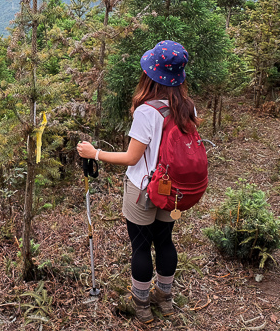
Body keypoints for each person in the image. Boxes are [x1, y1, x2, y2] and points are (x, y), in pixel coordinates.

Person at [77, 40, 198, 323]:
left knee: (141, 247)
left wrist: (93, 153)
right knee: (165, 243)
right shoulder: (187, 107)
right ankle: (165, 300)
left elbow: (132, 158)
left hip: (143, 190)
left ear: (151, 75)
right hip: (175, 190)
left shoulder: (147, 112)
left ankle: (142, 305)